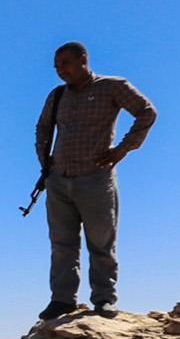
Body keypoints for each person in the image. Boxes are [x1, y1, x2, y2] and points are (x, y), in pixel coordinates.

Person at [34, 41, 156, 320]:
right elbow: (42, 127)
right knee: (62, 244)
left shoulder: (112, 86)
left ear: (83, 59)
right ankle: (62, 300)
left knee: (101, 242)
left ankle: (103, 299)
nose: (60, 70)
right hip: (59, 179)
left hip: (96, 178)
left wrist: (121, 150)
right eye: (56, 67)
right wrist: (45, 161)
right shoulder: (57, 95)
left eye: (65, 63)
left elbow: (146, 112)